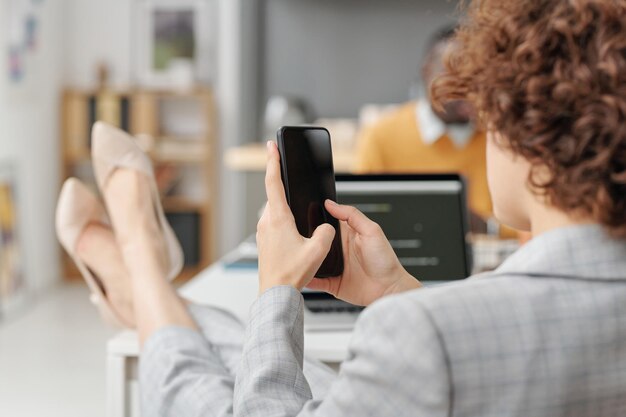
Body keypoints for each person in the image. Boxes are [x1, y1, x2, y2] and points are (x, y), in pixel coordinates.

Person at [56, 0, 626, 415]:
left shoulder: (426, 338)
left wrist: (278, 288)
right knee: (247, 343)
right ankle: (144, 285)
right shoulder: (430, 329)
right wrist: (394, 294)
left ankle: (137, 266)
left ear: (529, 143)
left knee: (206, 389)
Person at [355, 25, 493, 227]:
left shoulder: (500, 137)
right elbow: (360, 214)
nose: (468, 85)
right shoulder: (381, 136)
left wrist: (486, 226)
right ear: (426, 70)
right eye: (455, 70)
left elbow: (527, 224)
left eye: (478, 73)